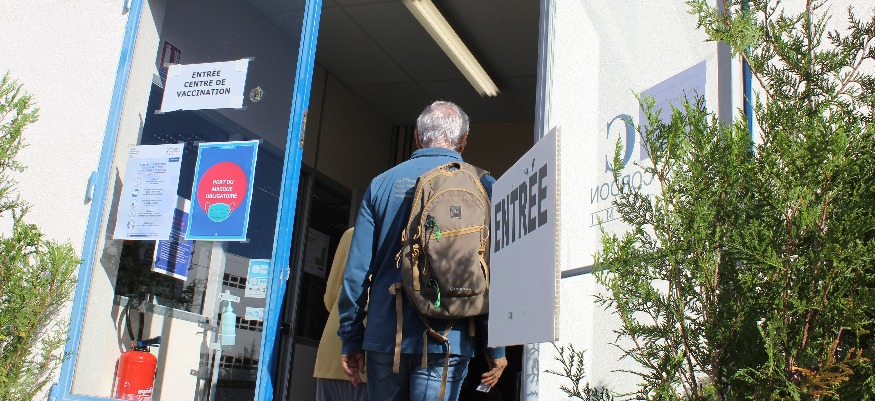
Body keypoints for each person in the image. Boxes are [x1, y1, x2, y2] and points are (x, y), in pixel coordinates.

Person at [337, 101, 507, 401]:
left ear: (417, 136)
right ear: (463, 141)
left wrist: (351, 338)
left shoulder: (381, 185)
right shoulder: (483, 185)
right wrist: (495, 347)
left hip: (386, 335)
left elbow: (356, 274)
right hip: (449, 336)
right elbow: (493, 271)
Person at [314, 227, 367, 401]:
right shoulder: (406, 233)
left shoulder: (353, 233)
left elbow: (330, 298)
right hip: (370, 355)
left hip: (334, 346)